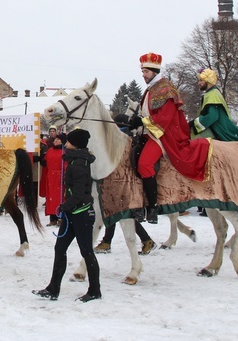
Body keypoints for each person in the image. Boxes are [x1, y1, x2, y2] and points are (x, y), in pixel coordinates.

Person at [130, 53, 211, 224]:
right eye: (142, 71)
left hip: (162, 136)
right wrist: (135, 122)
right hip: (148, 132)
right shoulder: (151, 88)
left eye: (145, 71)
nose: (143, 74)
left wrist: (143, 121)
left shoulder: (164, 89)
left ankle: (152, 207)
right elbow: (147, 113)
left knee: (144, 164)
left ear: (153, 71)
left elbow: (164, 119)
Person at [32, 128, 100, 302]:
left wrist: (63, 207)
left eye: (68, 142)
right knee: (60, 249)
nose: (65, 144)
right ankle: (53, 288)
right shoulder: (76, 160)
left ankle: (94, 291)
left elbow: (78, 193)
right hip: (72, 214)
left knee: (86, 251)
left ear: (75, 145)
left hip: (81, 214)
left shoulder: (78, 164)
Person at [94, 114, 156, 255]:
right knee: (116, 213)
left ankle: (146, 240)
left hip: (123, 180)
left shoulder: (122, 139)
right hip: (121, 179)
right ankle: (107, 241)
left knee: (122, 214)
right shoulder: (127, 137)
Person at [42, 134, 65, 226]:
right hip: (51, 177)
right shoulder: (49, 151)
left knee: (60, 198)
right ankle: (52, 218)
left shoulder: (65, 152)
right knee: (50, 198)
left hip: (60, 177)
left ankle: (61, 218)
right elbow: (45, 163)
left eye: (58, 139)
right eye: (55, 139)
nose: (55, 141)